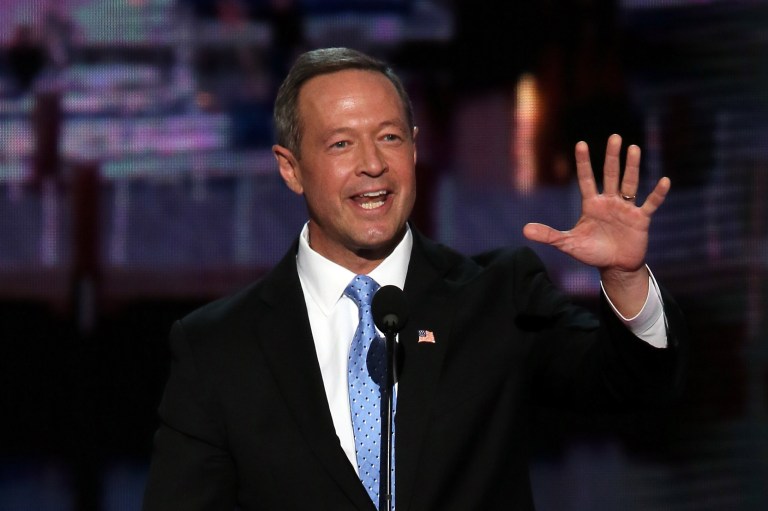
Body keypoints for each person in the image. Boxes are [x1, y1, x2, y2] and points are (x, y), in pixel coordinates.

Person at [143, 47, 687, 511]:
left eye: (389, 138)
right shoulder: (216, 346)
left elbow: (633, 385)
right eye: (340, 144)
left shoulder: (498, 296)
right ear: (291, 168)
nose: (373, 164)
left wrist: (624, 276)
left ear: (415, 147)